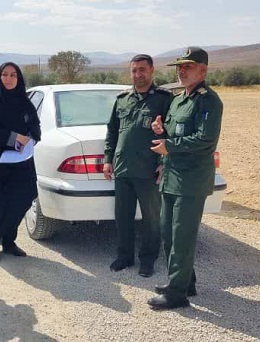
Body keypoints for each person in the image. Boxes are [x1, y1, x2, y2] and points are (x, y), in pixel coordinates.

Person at [147, 47, 223, 310]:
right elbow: (175, 131)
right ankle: (184, 281)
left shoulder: (209, 101)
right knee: (168, 233)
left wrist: (170, 146)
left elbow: (205, 139)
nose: (181, 70)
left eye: (188, 66)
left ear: (203, 70)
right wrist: (162, 130)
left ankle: (176, 295)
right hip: (172, 176)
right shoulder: (179, 100)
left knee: (182, 235)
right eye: (180, 66)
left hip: (191, 180)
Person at [103, 54, 173, 277]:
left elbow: (171, 134)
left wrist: (164, 162)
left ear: (152, 71)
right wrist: (107, 159)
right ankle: (124, 257)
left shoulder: (164, 99)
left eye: (142, 70)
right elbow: (112, 131)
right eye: (134, 70)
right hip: (123, 169)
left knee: (152, 220)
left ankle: (148, 260)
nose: (138, 75)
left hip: (149, 171)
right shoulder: (122, 99)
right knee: (123, 218)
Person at [0, 62, 41, 262]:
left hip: (20, 162)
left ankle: (8, 241)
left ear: (19, 78)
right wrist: (15, 138)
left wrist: (29, 137)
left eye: (13, 75)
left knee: (22, 198)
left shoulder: (24, 101)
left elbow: (35, 125)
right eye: (4, 74)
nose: (8, 78)